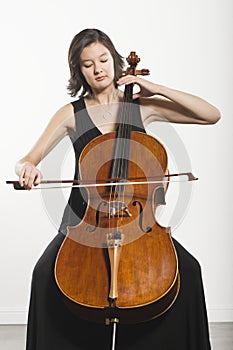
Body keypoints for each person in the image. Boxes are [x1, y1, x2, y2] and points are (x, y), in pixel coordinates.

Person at [15, 28, 220, 350]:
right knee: (44, 274)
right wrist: (27, 168)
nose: (98, 68)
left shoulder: (142, 107)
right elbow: (28, 158)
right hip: (84, 219)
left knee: (188, 270)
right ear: (78, 70)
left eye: (103, 59)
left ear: (115, 60)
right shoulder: (71, 113)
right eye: (87, 64)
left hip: (137, 224)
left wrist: (156, 88)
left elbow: (211, 115)